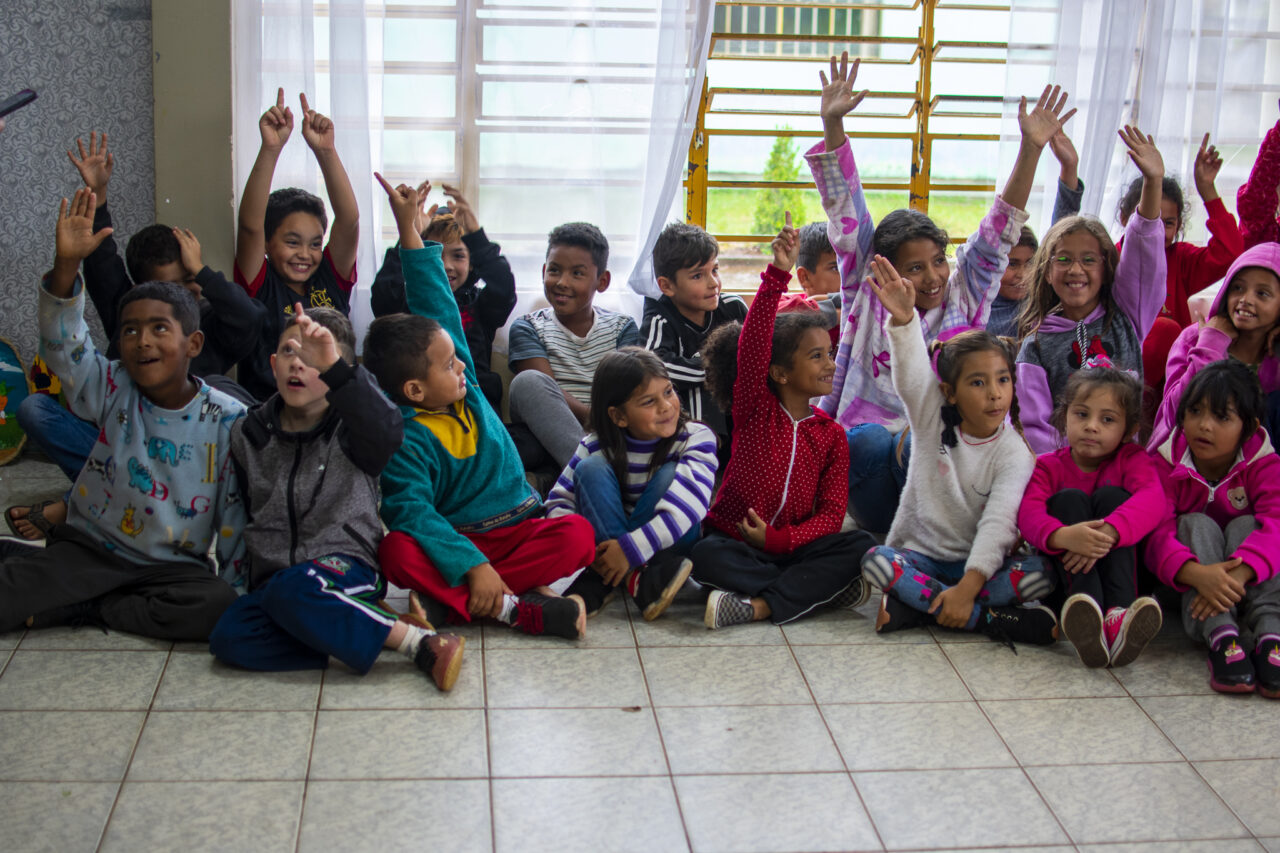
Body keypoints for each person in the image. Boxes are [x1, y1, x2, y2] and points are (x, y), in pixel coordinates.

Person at [806, 52, 1072, 533]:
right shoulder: (867, 287)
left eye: (938, 261)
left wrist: (1031, 148)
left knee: (926, 441)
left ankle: (936, 541)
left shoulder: (964, 295)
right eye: (915, 267)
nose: (932, 277)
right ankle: (908, 543)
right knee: (864, 443)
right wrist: (832, 124)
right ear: (883, 268)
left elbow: (1000, 228)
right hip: (869, 461)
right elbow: (844, 201)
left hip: (944, 459)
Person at [0, 189, 246, 640]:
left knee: (216, 607)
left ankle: (88, 606)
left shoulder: (226, 417)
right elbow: (64, 346)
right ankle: (55, 581)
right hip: (93, 549)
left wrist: (237, 587)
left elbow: (233, 513)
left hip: (170, 567)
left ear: (193, 344)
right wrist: (67, 265)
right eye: (130, 330)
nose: (142, 341)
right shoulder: (112, 384)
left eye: (158, 329)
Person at [367, 174, 596, 640]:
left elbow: (436, 301)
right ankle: (517, 609)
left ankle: (456, 603)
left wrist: (409, 228)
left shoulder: (465, 386)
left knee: (578, 535)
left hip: (517, 529)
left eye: (457, 358)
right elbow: (413, 512)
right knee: (394, 550)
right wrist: (471, 563)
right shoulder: (406, 435)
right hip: (456, 540)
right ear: (413, 390)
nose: (461, 368)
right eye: (448, 364)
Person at [9, 133, 265, 541]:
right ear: (137, 297)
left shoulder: (210, 324)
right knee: (36, 409)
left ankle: (79, 499)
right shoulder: (129, 318)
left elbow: (250, 319)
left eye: (189, 282)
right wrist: (98, 194)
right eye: (170, 289)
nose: (145, 340)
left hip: (185, 460)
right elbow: (100, 262)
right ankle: (105, 489)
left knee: (219, 389)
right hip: (117, 444)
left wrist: (204, 274)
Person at [208, 306, 464, 691]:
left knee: (293, 590)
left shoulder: (355, 430)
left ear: (337, 374)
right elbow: (246, 506)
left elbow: (388, 430)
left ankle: (419, 643)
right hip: (278, 581)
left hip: (346, 566)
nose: (299, 365)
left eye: (314, 360)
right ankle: (367, 628)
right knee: (229, 636)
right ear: (274, 363)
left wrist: (337, 371)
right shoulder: (250, 433)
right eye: (290, 353)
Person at [859, 254, 1058, 648]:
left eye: (1002, 379)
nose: (995, 393)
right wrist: (903, 320)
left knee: (1043, 574)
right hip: (920, 559)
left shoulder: (1014, 453)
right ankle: (988, 619)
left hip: (981, 569)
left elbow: (1000, 525)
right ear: (950, 392)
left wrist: (968, 587)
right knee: (875, 561)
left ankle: (921, 609)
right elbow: (913, 373)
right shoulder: (932, 415)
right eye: (978, 383)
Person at [691, 214, 874, 630]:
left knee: (860, 545)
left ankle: (758, 605)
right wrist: (778, 274)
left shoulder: (831, 436)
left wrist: (781, 541)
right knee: (703, 556)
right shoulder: (755, 408)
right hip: (736, 541)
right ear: (779, 372)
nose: (831, 364)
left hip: (792, 546)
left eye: (829, 353)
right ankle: (810, 592)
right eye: (817, 357)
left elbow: (831, 515)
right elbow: (754, 341)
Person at [1016, 126, 1169, 454]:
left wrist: (1153, 182)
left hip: (1126, 465)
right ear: (1046, 272)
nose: (1075, 269)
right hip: (1067, 472)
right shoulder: (1035, 347)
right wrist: (1071, 473)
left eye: (1089, 260)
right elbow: (1037, 426)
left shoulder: (1127, 316)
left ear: (1106, 268)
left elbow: (1144, 257)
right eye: (1064, 259)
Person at [548, 347, 718, 619]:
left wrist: (630, 548)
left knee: (670, 474)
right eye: (648, 402)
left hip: (670, 545)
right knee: (590, 468)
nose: (666, 406)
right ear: (618, 416)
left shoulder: (695, 437)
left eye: (668, 391)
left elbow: (692, 506)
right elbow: (559, 503)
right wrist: (585, 548)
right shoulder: (595, 445)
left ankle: (609, 577)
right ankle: (635, 578)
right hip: (611, 544)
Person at [1146, 361, 1280, 697]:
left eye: (1222, 417)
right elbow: (1156, 532)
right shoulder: (1166, 462)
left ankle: (1271, 636)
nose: (1204, 426)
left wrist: (1239, 574)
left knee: (1249, 525)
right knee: (1194, 523)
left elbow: (1277, 523)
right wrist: (1195, 574)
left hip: (1250, 589)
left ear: (1248, 428)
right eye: (1195, 411)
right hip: (1192, 589)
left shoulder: (1263, 461)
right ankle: (1223, 637)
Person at [1017, 367, 1164, 667]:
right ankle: (1086, 615)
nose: (1091, 426)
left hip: (1123, 580)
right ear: (1064, 415)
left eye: (1107, 419)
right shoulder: (1047, 466)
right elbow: (1028, 514)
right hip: (1064, 586)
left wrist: (1109, 531)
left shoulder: (1132, 459)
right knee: (1069, 500)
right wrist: (1064, 536)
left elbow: (1154, 500)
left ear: (1130, 428)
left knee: (1113, 498)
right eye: (1081, 414)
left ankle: (1117, 617)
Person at [234, 89, 360, 400]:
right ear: (267, 243)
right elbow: (250, 226)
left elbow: (349, 221)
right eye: (292, 242)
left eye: (315, 244)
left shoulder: (330, 277)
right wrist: (271, 149)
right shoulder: (260, 285)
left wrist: (326, 151)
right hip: (269, 407)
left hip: (334, 409)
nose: (305, 254)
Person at [1118, 134, 1243, 408]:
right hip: (1116, 373)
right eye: (1149, 218)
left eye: (1169, 223)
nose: (1157, 231)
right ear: (1125, 219)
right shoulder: (1108, 257)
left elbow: (1231, 253)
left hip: (1172, 383)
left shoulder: (1182, 259)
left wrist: (1207, 190)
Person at [506, 222, 640, 475]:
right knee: (528, 382)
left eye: (577, 273)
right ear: (544, 270)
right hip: (557, 426)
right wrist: (595, 420)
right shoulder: (527, 326)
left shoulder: (622, 327)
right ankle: (594, 472)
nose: (562, 282)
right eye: (554, 270)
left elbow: (626, 390)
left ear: (602, 281)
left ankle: (579, 473)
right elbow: (544, 387)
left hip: (610, 426)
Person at [370, 182, 516, 412]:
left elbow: (504, 288)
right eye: (436, 254)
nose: (446, 265)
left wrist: (477, 238)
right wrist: (409, 234)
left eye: (458, 255)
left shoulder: (480, 305)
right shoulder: (411, 302)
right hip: (420, 410)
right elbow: (383, 298)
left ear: (472, 262)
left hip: (476, 412)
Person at [1147, 243, 1280, 450]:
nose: (1245, 299)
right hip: (1184, 460)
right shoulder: (1194, 338)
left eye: (1262, 294)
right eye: (1237, 287)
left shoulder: (1275, 352)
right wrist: (1211, 345)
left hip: (1254, 468)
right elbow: (1175, 413)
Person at [640, 221, 746, 446]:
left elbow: (760, 349)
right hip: (685, 422)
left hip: (737, 409)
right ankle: (703, 448)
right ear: (667, 286)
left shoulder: (733, 307)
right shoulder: (660, 317)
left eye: (715, 270)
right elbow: (653, 366)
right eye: (698, 276)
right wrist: (712, 366)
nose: (713, 283)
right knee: (702, 385)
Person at [987, 130, 1086, 339]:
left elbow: (1062, 232)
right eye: (1012, 264)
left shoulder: (1039, 300)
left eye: (1030, 263)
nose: (1022, 274)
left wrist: (1069, 167)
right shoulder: (978, 304)